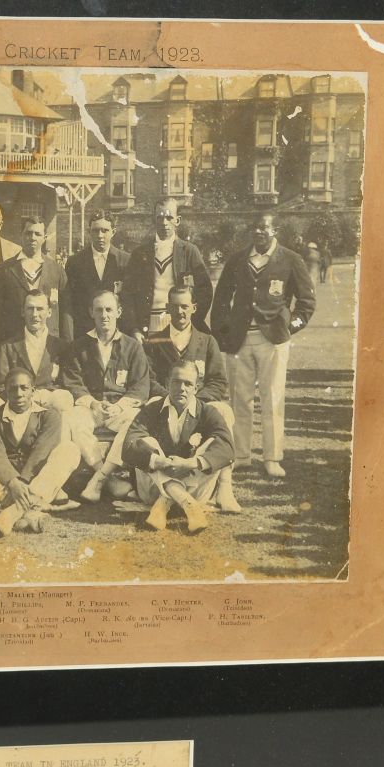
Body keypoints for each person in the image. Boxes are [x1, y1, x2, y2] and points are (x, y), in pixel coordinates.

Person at [209, 211, 315, 478]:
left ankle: (272, 457)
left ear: (275, 231)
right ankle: (241, 455)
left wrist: (289, 327)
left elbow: (307, 302)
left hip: (273, 340)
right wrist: (223, 331)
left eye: (265, 229)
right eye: (256, 228)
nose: (259, 233)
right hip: (240, 340)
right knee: (239, 400)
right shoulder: (237, 259)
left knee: (272, 398)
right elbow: (221, 298)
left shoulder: (291, 260)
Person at [145, 284, 241, 511]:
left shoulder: (207, 341)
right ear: (167, 308)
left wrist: (194, 401)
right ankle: (160, 484)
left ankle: (225, 486)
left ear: (194, 308)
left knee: (224, 411)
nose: (180, 312)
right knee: (148, 407)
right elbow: (148, 381)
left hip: (199, 406)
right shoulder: (154, 342)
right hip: (165, 405)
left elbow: (218, 382)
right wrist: (171, 397)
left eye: (185, 307)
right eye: (175, 307)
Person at [0, 370, 82, 536]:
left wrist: (22, 482)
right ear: (5, 391)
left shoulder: (49, 416)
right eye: (13, 389)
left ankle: (10, 513)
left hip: (36, 481)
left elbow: (41, 452)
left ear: (33, 391)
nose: (19, 394)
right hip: (3, 486)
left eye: (24, 388)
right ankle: (28, 512)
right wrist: (12, 482)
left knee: (70, 449)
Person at [122, 363, 234, 534]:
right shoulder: (152, 409)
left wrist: (190, 463)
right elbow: (129, 444)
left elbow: (226, 447)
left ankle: (163, 504)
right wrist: (159, 461)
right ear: (167, 384)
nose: (181, 388)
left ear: (196, 388)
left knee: (213, 443)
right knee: (148, 443)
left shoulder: (207, 412)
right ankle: (188, 504)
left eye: (188, 384)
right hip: (152, 490)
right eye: (176, 382)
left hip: (196, 489)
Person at [61, 290, 150, 503]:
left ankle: (98, 479)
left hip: (119, 409)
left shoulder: (132, 346)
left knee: (135, 422)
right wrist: (92, 403)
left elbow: (140, 387)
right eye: (99, 310)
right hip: (91, 408)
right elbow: (72, 381)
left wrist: (119, 407)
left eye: (109, 309)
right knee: (71, 419)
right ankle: (107, 478)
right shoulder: (79, 345)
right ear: (91, 312)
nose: (104, 315)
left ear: (118, 312)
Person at [121, 197, 211, 339]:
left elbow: (205, 290)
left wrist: (192, 320)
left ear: (177, 220)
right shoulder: (140, 254)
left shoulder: (189, 251)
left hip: (180, 324)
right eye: (160, 218)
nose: (164, 223)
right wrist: (133, 328)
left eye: (169, 217)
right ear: (153, 220)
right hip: (148, 325)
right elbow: (127, 294)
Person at [0, 289, 74, 413]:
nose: (35, 314)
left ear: (49, 312)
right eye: (30, 308)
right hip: (18, 404)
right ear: (22, 312)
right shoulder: (8, 346)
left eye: (40, 309)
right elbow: (2, 385)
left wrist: (42, 396)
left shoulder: (61, 346)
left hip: (50, 405)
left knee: (63, 399)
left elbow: (67, 383)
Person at [0, 213, 66, 344]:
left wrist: (66, 346)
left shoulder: (56, 270)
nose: (32, 238)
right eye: (28, 233)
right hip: (13, 343)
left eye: (37, 234)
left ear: (45, 237)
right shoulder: (4, 269)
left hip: (48, 343)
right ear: (21, 235)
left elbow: (65, 311)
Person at [60, 211, 128, 340]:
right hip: (84, 334)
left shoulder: (125, 261)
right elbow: (69, 304)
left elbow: (128, 302)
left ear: (113, 232)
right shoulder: (75, 262)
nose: (100, 235)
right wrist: (69, 338)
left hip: (116, 334)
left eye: (105, 230)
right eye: (96, 231)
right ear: (88, 231)